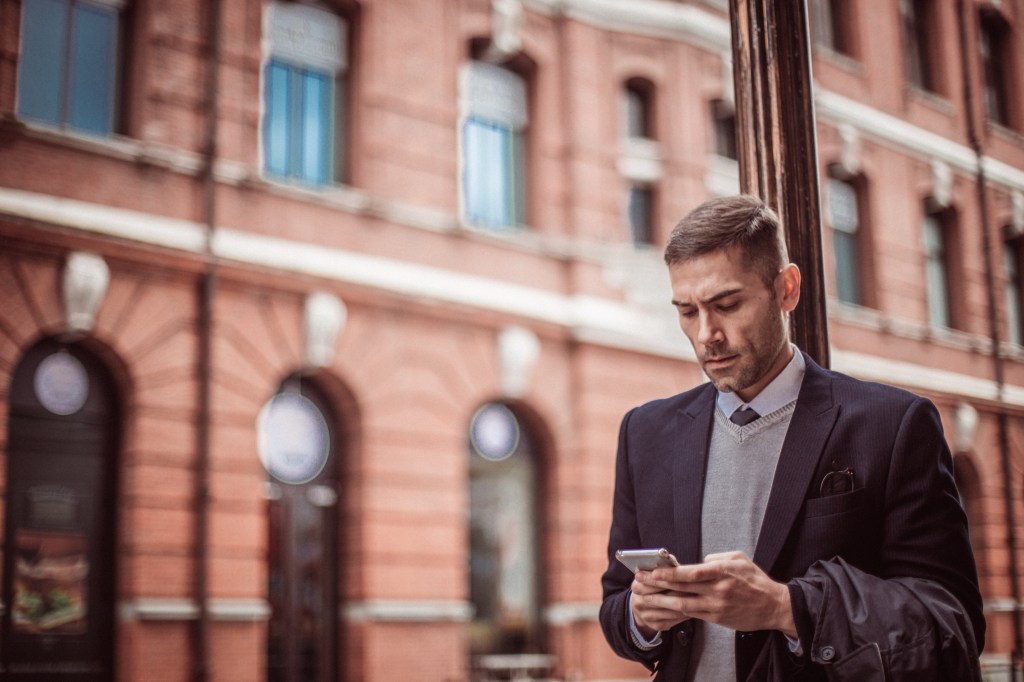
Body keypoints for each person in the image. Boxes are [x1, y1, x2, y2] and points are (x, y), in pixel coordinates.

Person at [599, 195, 985, 681]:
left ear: (787, 289)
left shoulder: (894, 424)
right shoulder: (645, 432)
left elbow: (951, 622)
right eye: (687, 311)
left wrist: (785, 607)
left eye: (727, 304)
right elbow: (615, 604)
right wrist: (640, 618)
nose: (706, 335)